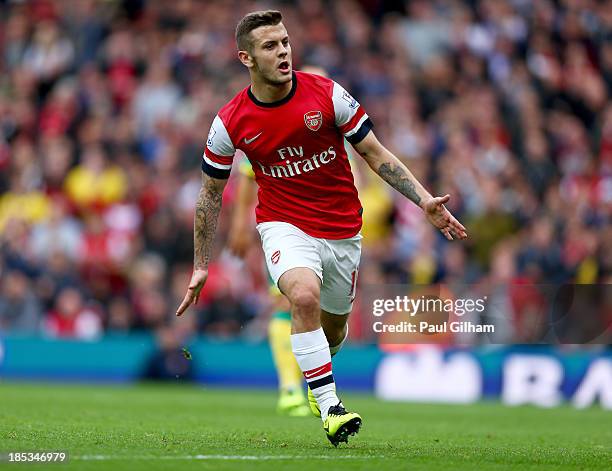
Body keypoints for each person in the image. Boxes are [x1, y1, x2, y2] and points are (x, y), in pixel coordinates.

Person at [176, 10, 467, 446]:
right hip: (282, 225)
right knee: (302, 295)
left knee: (334, 331)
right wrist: (201, 264)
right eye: (270, 46)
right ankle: (330, 405)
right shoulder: (230, 122)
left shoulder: (328, 95)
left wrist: (424, 200)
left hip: (343, 230)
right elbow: (209, 195)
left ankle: (318, 375)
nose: (283, 52)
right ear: (246, 57)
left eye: (286, 42)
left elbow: (375, 153)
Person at [227, 64, 361, 418]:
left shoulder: (332, 126)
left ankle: (315, 384)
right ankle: (290, 388)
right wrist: (240, 226)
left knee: (333, 323)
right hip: (285, 225)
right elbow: (246, 177)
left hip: (336, 231)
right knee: (290, 301)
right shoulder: (273, 124)